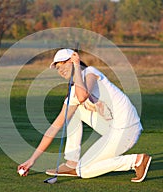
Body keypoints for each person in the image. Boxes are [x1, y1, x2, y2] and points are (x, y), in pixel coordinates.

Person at [18, 48, 152, 182]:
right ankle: (72, 162)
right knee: (72, 113)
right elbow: (56, 126)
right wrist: (32, 160)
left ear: (73, 60)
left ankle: (135, 161)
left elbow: (82, 96)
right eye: (57, 68)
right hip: (112, 128)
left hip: (127, 129)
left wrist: (76, 66)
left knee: (84, 171)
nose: (60, 70)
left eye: (63, 64)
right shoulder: (74, 91)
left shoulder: (90, 73)